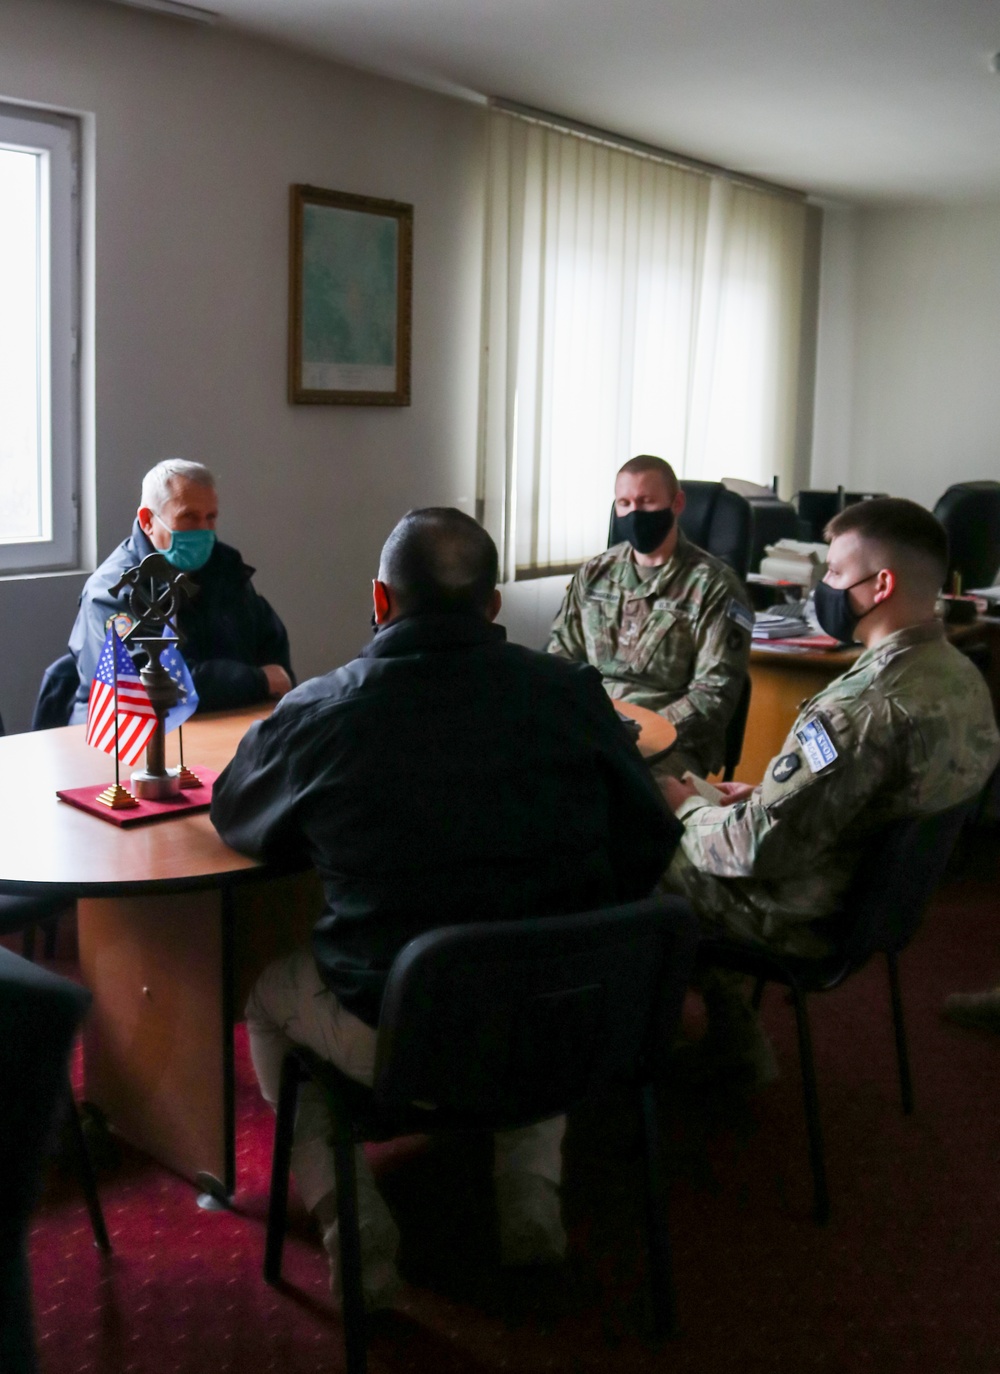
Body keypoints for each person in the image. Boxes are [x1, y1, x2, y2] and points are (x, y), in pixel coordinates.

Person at [210, 507, 679, 1310]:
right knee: (534, 953)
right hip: (578, 1014)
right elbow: (647, 840)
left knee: (266, 999)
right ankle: (530, 1213)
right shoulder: (573, 697)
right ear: (493, 606)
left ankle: (355, 1230)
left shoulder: (325, 712)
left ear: (380, 601)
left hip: (408, 1030)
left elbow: (238, 816)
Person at [659, 497, 1000, 1079]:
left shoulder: (859, 710)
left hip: (805, 913)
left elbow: (754, 851)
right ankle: (728, 1036)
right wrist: (764, 798)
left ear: (881, 584)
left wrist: (686, 806)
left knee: (636, 850)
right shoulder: (960, 674)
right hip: (877, 904)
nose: (826, 587)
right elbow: (856, 796)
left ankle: (682, 1050)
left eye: (837, 573)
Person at [547, 454, 753, 780]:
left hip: (672, 743)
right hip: (593, 729)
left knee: (612, 792)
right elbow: (559, 663)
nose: (634, 513)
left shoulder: (716, 586)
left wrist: (640, 734)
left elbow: (713, 696)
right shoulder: (594, 573)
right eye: (625, 502)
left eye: (646, 501)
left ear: (677, 503)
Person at [68, 459, 293, 722]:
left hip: (232, 719)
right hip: (136, 733)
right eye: (189, 516)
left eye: (210, 518)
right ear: (148, 521)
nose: (204, 530)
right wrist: (256, 680)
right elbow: (149, 684)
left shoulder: (225, 568)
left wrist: (260, 682)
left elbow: (272, 650)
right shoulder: (112, 590)